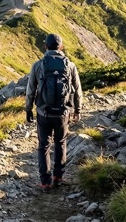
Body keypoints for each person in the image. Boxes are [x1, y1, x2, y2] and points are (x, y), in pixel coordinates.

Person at [25, 33, 83, 191]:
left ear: (45, 47)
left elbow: (30, 90)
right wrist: (77, 110)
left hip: (43, 113)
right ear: (61, 47)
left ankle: (45, 181)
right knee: (61, 143)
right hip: (63, 114)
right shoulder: (70, 65)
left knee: (43, 146)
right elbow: (77, 90)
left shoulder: (38, 65)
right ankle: (58, 177)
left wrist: (28, 109)